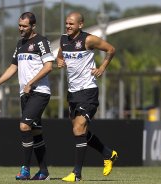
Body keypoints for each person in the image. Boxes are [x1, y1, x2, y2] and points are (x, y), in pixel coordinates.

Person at [0, 12, 54, 180]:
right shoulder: (20, 44)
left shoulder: (41, 41)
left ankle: (25, 169)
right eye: (19, 25)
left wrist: (31, 82)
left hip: (39, 92)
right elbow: (12, 68)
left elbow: (48, 66)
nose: (21, 29)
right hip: (26, 94)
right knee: (35, 131)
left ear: (33, 26)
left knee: (24, 126)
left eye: (24, 26)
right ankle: (44, 172)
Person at [57, 12, 117, 182]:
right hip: (73, 93)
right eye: (66, 23)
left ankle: (76, 174)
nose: (68, 26)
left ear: (80, 25)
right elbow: (60, 56)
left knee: (78, 129)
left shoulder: (88, 40)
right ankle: (108, 154)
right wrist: (59, 60)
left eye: (71, 24)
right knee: (80, 132)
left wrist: (102, 68)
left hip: (88, 91)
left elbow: (111, 49)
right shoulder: (63, 39)